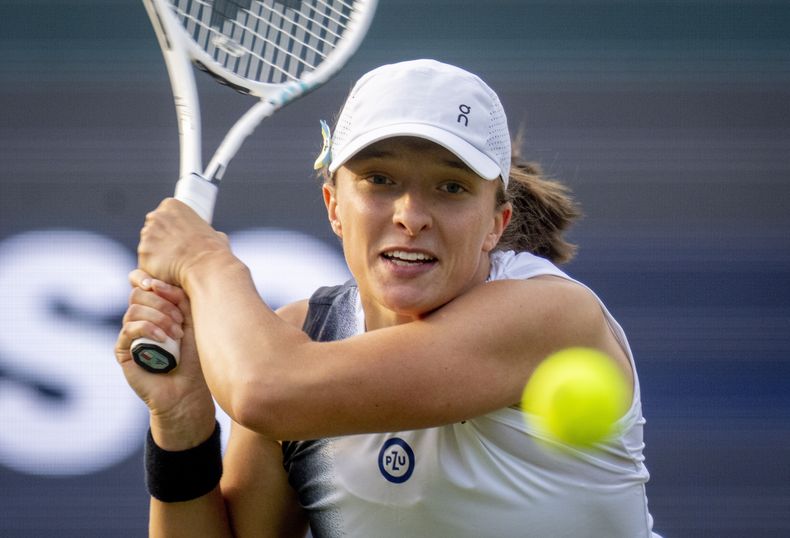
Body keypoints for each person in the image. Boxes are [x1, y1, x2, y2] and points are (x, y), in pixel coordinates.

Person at [116, 59, 660, 537]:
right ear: (334, 205)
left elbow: (265, 390)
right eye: (379, 179)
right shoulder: (304, 338)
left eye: (450, 187)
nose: (410, 216)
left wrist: (204, 259)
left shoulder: (553, 317)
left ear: (497, 224)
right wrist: (181, 421)